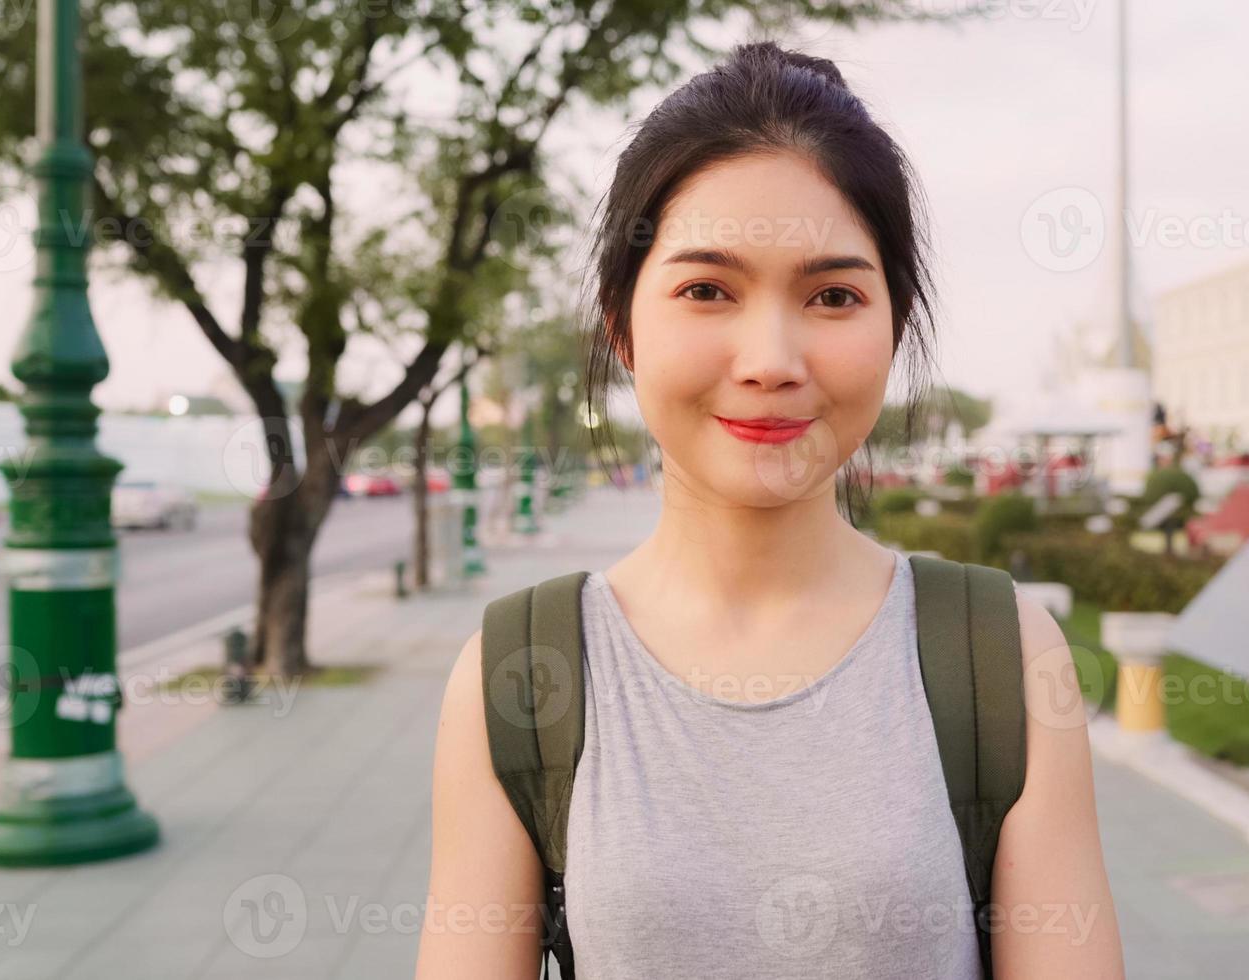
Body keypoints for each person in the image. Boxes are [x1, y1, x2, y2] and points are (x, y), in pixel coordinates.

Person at [417, 41, 1123, 980]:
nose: (771, 359)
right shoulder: (521, 675)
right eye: (707, 290)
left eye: (833, 295)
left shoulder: (1000, 657)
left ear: (893, 327)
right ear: (623, 326)